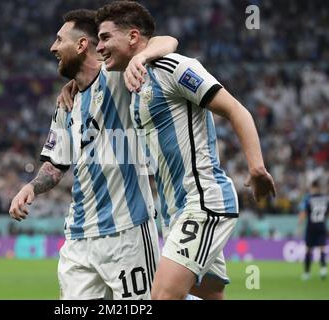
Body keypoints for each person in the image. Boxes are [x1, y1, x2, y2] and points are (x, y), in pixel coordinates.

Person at [94, 1, 276, 299]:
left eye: (105, 37)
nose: (100, 47)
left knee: (162, 297)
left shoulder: (174, 67)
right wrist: (71, 87)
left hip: (202, 202)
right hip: (175, 212)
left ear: (133, 37)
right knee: (209, 296)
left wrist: (256, 167)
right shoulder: (134, 82)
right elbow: (90, 69)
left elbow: (236, 110)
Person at [9, 9, 182, 300]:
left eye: (59, 39)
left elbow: (167, 41)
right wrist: (31, 187)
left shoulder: (116, 75)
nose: (52, 47)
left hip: (128, 232)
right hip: (78, 238)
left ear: (81, 45)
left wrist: (139, 58)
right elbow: (56, 165)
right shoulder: (66, 103)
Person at [298, 180, 328, 280]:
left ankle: (307, 273)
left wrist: (300, 224)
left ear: (313, 187)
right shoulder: (326, 199)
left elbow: (303, 213)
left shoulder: (308, 199)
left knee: (308, 250)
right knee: (322, 248)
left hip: (311, 227)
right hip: (322, 226)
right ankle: (323, 269)